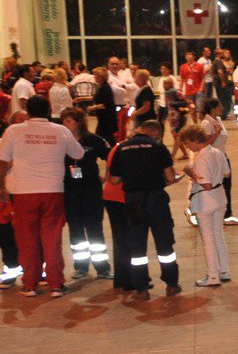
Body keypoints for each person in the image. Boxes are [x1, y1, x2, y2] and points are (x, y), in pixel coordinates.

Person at [0, 95, 86, 296]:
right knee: (52, 238)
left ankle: (30, 284)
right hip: (52, 191)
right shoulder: (61, 130)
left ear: (28, 111)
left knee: (26, 239)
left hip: (22, 192)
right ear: (49, 111)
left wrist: (2, 188)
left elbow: (2, 162)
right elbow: (79, 154)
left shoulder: (13, 131)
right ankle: (56, 283)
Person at [107, 118, 182, 300]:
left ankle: (141, 289)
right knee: (164, 244)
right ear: (155, 132)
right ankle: (171, 284)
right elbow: (170, 176)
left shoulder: (122, 148)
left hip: (133, 201)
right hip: (156, 200)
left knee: (137, 247)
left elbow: (114, 180)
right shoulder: (158, 147)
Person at [60, 107, 110, 281]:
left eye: (69, 121)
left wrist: (108, 177)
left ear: (79, 121)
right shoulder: (60, 140)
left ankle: (102, 268)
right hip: (70, 190)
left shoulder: (93, 140)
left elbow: (110, 156)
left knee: (94, 228)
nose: (65, 124)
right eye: (63, 121)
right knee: (75, 229)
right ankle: (81, 266)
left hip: (91, 189)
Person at [179, 125, 231, 287]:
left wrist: (191, 173)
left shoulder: (202, 157)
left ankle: (212, 276)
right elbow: (226, 173)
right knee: (218, 236)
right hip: (220, 198)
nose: (187, 147)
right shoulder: (217, 152)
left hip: (206, 201)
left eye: (187, 143)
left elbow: (205, 184)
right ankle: (224, 270)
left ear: (195, 140)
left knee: (207, 239)